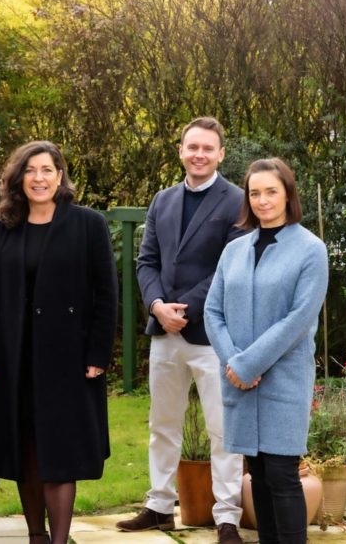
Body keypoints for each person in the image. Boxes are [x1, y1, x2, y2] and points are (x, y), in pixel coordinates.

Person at [0, 141, 118, 544]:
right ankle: (36, 535)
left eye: (47, 170)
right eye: (31, 170)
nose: (39, 178)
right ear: (19, 178)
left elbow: (106, 293)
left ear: (60, 176)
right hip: (13, 355)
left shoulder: (88, 224)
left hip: (68, 357)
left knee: (62, 450)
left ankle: (58, 540)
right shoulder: (3, 226)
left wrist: (98, 353)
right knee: (26, 448)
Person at [116, 117, 246, 544]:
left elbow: (230, 269)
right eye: (192, 147)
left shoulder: (236, 202)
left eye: (208, 148)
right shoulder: (163, 200)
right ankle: (159, 506)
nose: (199, 154)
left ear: (221, 154)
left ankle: (227, 516)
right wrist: (156, 305)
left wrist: (184, 308)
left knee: (223, 429)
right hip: (164, 333)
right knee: (162, 424)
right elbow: (146, 262)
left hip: (212, 334)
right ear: (181, 150)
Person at [204, 158, 328, 543]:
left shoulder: (311, 250)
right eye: (254, 193)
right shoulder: (234, 251)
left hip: (283, 379)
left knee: (281, 472)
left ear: (288, 193)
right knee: (256, 471)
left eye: (271, 191)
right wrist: (234, 362)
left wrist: (249, 363)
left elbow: (299, 319)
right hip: (239, 379)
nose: (262, 200)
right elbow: (213, 310)